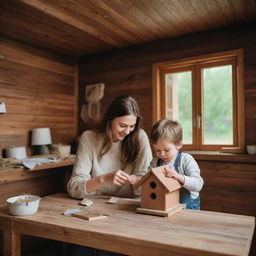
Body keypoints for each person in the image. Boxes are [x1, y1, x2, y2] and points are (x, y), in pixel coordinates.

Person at [66, 95, 152, 255]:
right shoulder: (89, 138)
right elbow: (74, 187)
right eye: (122, 125)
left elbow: (145, 184)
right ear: (110, 120)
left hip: (127, 209)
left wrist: (137, 182)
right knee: (78, 249)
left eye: (132, 126)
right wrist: (103, 178)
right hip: (93, 207)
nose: (127, 131)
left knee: (114, 250)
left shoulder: (140, 137)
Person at [149, 118, 203, 210]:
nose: (161, 154)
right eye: (157, 150)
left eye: (166, 150)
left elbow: (198, 184)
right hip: (164, 204)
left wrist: (179, 177)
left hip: (188, 206)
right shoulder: (155, 163)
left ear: (179, 144)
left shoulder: (186, 160)